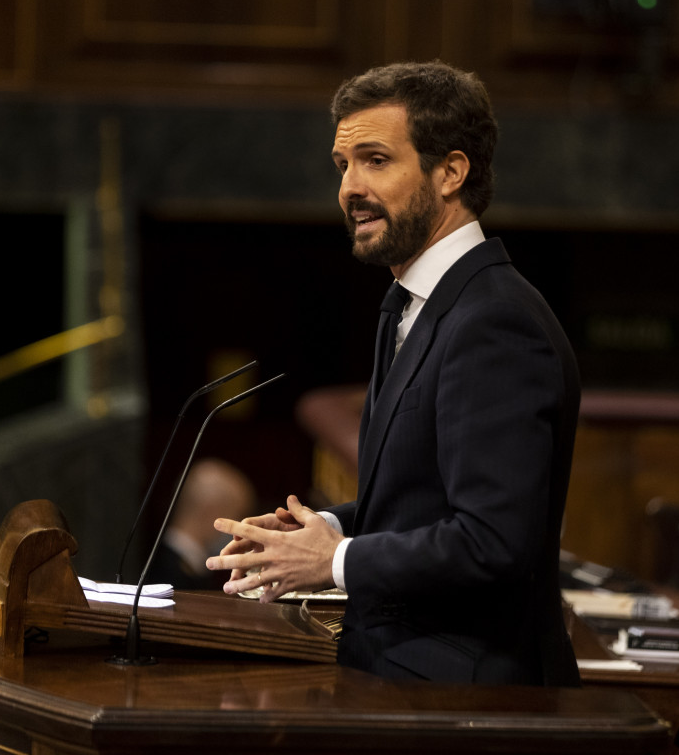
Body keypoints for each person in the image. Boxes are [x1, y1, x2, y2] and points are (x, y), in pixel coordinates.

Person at [206, 61, 581, 686]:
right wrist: (320, 529)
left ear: (450, 173)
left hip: (470, 698)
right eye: (342, 165)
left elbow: (493, 542)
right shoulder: (410, 305)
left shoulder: (494, 323)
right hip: (403, 673)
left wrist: (336, 560)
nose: (349, 187)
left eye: (375, 160)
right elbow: (426, 498)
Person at [148, 458, 256, 590]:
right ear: (212, 512)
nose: (240, 530)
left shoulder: (190, 566)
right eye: (237, 517)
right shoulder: (165, 573)